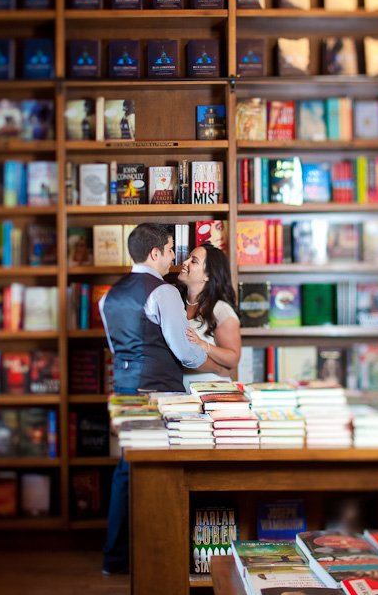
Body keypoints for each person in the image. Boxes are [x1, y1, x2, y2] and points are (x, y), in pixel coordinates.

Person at [98, 223, 220, 575]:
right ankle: (164, 552)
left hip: (124, 389)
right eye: (169, 250)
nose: (173, 257)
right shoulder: (163, 292)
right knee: (171, 471)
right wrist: (204, 358)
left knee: (128, 468)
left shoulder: (109, 296)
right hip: (160, 393)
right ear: (155, 254)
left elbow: (116, 347)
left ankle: (116, 557)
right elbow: (184, 350)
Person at [177, 243, 241, 387]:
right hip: (179, 389)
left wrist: (202, 344)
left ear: (208, 275)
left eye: (193, 261)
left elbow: (233, 358)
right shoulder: (175, 302)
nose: (184, 262)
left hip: (212, 389)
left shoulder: (220, 309)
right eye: (187, 258)